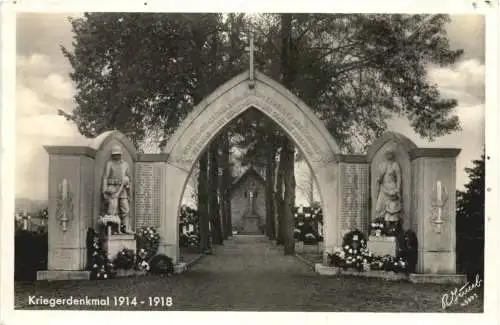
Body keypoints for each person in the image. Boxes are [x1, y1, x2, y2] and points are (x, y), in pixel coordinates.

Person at [102, 145, 132, 234]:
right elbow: (105, 177)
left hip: (123, 190)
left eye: (118, 154)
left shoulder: (126, 165)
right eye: (114, 155)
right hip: (112, 188)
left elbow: (129, 179)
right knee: (112, 210)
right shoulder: (109, 164)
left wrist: (129, 191)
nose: (116, 156)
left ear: (121, 154)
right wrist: (104, 190)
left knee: (125, 209)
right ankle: (112, 230)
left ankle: (125, 228)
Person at [374, 146, 402, 235]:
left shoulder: (395, 165)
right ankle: (379, 229)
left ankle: (391, 231)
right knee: (379, 208)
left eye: (390, 153)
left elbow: (399, 178)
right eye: (387, 153)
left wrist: (397, 189)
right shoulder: (382, 165)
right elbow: (379, 179)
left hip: (392, 188)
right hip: (383, 188)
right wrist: (380, 177)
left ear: (392, 155)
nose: (389, 155)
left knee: (392, 210)